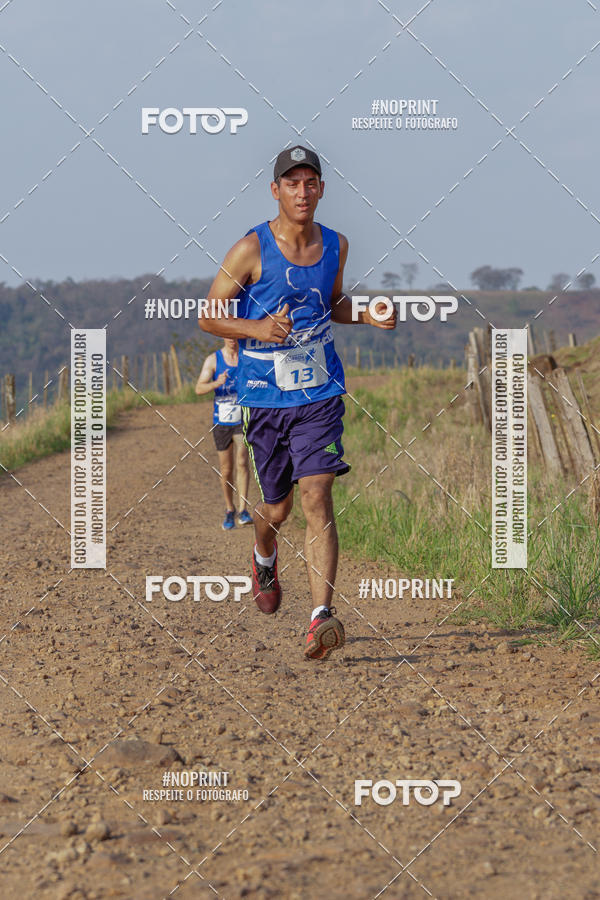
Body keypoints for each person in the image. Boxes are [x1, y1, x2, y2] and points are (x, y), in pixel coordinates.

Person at [199, 145, 395, 659]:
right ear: (276, 190)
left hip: (321, 392)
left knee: (317, 495)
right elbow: (209, 316)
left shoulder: (336, 244)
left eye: (311, 183)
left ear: (322, 190)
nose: (302, 192)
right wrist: (257, 328)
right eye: (292, 183)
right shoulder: (250, 248)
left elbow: (333, 304)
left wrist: (367, 316)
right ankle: (264, 555)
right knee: (277, 509)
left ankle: (320, 618)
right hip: (264, 398)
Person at [195, 337, 253, 530]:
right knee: (226, 469)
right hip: (221, 422)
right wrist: (216, 383)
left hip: (242, 419)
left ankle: (244, 510)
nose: (232, 340)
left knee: (243, 461)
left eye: (235, 337)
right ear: (222, 336)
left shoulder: (246, 356)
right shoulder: (213, 360)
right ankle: (230, 509)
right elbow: (198, 388)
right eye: (228, 336)